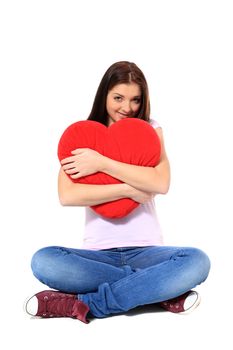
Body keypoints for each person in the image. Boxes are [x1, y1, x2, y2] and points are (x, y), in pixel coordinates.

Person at [24, 61, 210, 323]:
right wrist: (129, 188)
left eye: (135, 99)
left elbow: (161, 183)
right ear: (105, 96)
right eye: (118, 98)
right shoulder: (82, 135)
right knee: (44, 260)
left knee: (197, 261)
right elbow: (68, 195)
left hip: (147, 253)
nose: (127, 107)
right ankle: (157, 291)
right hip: (96, 259)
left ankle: (87, 304)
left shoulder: (150, 130)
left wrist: (101, 163)